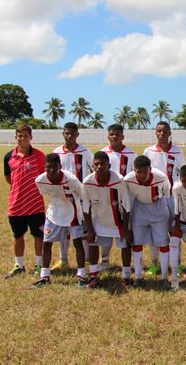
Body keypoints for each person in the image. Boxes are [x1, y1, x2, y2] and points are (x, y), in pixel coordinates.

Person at [31, 154, 87, 288]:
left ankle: (82, 275)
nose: (51, 170)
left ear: (60, 167)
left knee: (78, 243)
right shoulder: (40, 180)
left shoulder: (70, 179)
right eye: (48, 167)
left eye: (54, 167)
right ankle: (44, 276)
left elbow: (82, 194)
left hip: (73, 213)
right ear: (44, 167)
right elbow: (49, 194)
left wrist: (83, 215)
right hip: (54, 214)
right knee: (47, 243)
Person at [82, 151, 132, 288]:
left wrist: (126, 229)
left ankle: (126, 277)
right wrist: (90, 230)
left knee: (126, 245)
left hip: (118, 222)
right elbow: (86, 209)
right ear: (92, 166)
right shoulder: (87, 182)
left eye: (102, 164)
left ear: (108, 165)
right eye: (96, 164)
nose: (99, 167)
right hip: (99, 222)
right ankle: (93, 276)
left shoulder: (119, 180)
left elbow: (126, 207)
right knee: (92, 244)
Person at [124, 155, 173, 289]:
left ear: (150, 169)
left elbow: (167, 196)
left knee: (163, 243)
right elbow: (126, 200)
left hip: (158, 208)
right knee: (137, 242)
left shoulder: (161, 177)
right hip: (140, 209)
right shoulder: (128, 179)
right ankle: (139, 277)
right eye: (138, 172)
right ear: (134, 170)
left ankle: (164, 277)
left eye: (144, 171)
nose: (141, 175)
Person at [3, 124, 46, 278]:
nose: (22, 138)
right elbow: (9, 179)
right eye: (20, 135)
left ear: (31, 137)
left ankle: (39, 265)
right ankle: (19, 265)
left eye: (26, 136)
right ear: (16, 137)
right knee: (18, 236)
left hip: (35, 205)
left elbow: (43, 177)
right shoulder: (8, 157)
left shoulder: (39, 156)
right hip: (16, 205)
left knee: (38, 236)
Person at [143, 122, 184, 276]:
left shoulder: (178, 152)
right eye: (159, 131)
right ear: (155, 132)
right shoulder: (148, 152)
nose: (162, 134)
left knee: (175, 231)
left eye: (164, 131)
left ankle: (177, 264)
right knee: (155, 231)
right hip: (155, 198)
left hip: (172, 198)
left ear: (170, 133)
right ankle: (154, 264)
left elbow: (181, 175)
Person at [51, 122, 94, 270]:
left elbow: (94, 170)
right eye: (67, 133)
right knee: (64, 228)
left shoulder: (85, 152)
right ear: (63, 133)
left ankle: (87, 258)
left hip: (80, 197)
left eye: (72, 133)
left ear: (77, 134)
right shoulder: (57, 152)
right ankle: (63, 260)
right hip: (62, 197)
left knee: (83, 229)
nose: (70, 136)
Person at [100, 124, 137, 270]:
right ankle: (105, 261)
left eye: (117, 134)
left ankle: (128, 265)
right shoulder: (102, 153)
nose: (114, 136)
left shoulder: (131, 155)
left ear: (123, 136)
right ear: (108, 136)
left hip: (125, 200)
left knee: (125, 230)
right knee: (104, 230)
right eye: (111, 134)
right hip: (105, 200)